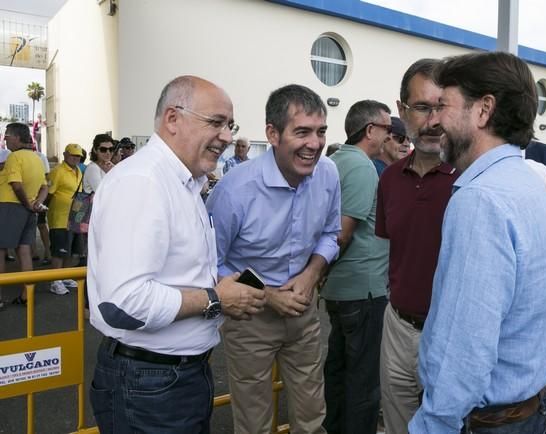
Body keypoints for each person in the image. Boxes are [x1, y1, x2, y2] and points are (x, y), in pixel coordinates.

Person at [86, 75, 266, 433]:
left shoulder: (182, 182)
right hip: (149, 382)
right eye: (216, 122)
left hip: (169, 377)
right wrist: (216, 298)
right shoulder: (143, 181)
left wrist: (214, 286)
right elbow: (123, 303)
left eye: (230, 125)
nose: (228, 137)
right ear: (172, 119)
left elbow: (169, 273)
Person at [409, 51, 546, 434]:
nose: (433, 120)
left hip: (486, 423)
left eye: (443, 105)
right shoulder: (529, 182)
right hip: (527, 412)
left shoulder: (481, 199)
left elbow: (464, 349)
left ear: (483, 110)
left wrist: (432, 425)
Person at [207, 84, 341, 434]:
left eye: (321, 131)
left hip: (303, 310)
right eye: (302, 132)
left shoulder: (328, 174)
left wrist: (312, 274)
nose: (314, 143)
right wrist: (268, 295)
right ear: (273, 134)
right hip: (248, 317)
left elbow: (331, 234)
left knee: (312, 415)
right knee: (254, 420)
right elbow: (210, 263)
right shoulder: (235, 189)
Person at [376, 58, 458, 434]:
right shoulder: (390, 179)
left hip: (451, 333)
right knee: (398, 426)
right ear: (401, 110)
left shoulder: (473, 181)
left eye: (441, 107)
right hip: (398, 327)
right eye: (423, 107)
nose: (433, 121)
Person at [321, 99, 391, 434]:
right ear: (370, 130)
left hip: (339, 290)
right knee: (363, 381)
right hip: (363, 290)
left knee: (338, 371)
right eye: (387, 129)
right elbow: (342, 234)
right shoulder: (362, 168)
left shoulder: (334, 162)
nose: (390, 137)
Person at [0, 123, 47, 306]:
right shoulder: (35, 158)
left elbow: (16, 185)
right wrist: (36, 203)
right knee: (25, 250)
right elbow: (44, 186)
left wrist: (28, 203)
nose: (5, 139)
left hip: (10, 206)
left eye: (7, 136)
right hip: (29, 210)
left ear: (17, 138)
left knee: (1, 251)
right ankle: (27, 295)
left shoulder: (15, 157)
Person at [46, 144, 85, 295]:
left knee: (71, 251)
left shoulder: (78, 171)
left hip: (75, 216)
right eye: (73, 155)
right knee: (59, 251)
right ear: (65, 155)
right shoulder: (57, 172)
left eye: (78, 156)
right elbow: (49, 193)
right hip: (60, 217)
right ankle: (55, 281)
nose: (76, 158)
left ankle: (65, 276)